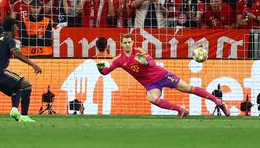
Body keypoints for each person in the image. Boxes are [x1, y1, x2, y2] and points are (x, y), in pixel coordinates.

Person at [97, 34, 231, 118]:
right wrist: (100, 67)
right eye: (124, 42)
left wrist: (145, 61)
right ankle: (181, 109)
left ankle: (219, 102)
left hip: (162, 75)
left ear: (132, 43)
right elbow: (105, 72)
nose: (127, 45)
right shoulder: (119, 59)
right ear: (121, 44)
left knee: (188, 88)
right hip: (151, 84)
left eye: (129, 42)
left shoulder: (138, 51)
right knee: (151, 97)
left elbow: (152, 62)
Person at [0, 17, 42, 122]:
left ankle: (14, 110)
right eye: (16, 28)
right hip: (0, 73)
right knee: (26, 84)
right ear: (14, 28)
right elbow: (16, 53)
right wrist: (32, 64)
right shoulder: (9, 40)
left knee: (17, 89)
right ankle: (24, 116)